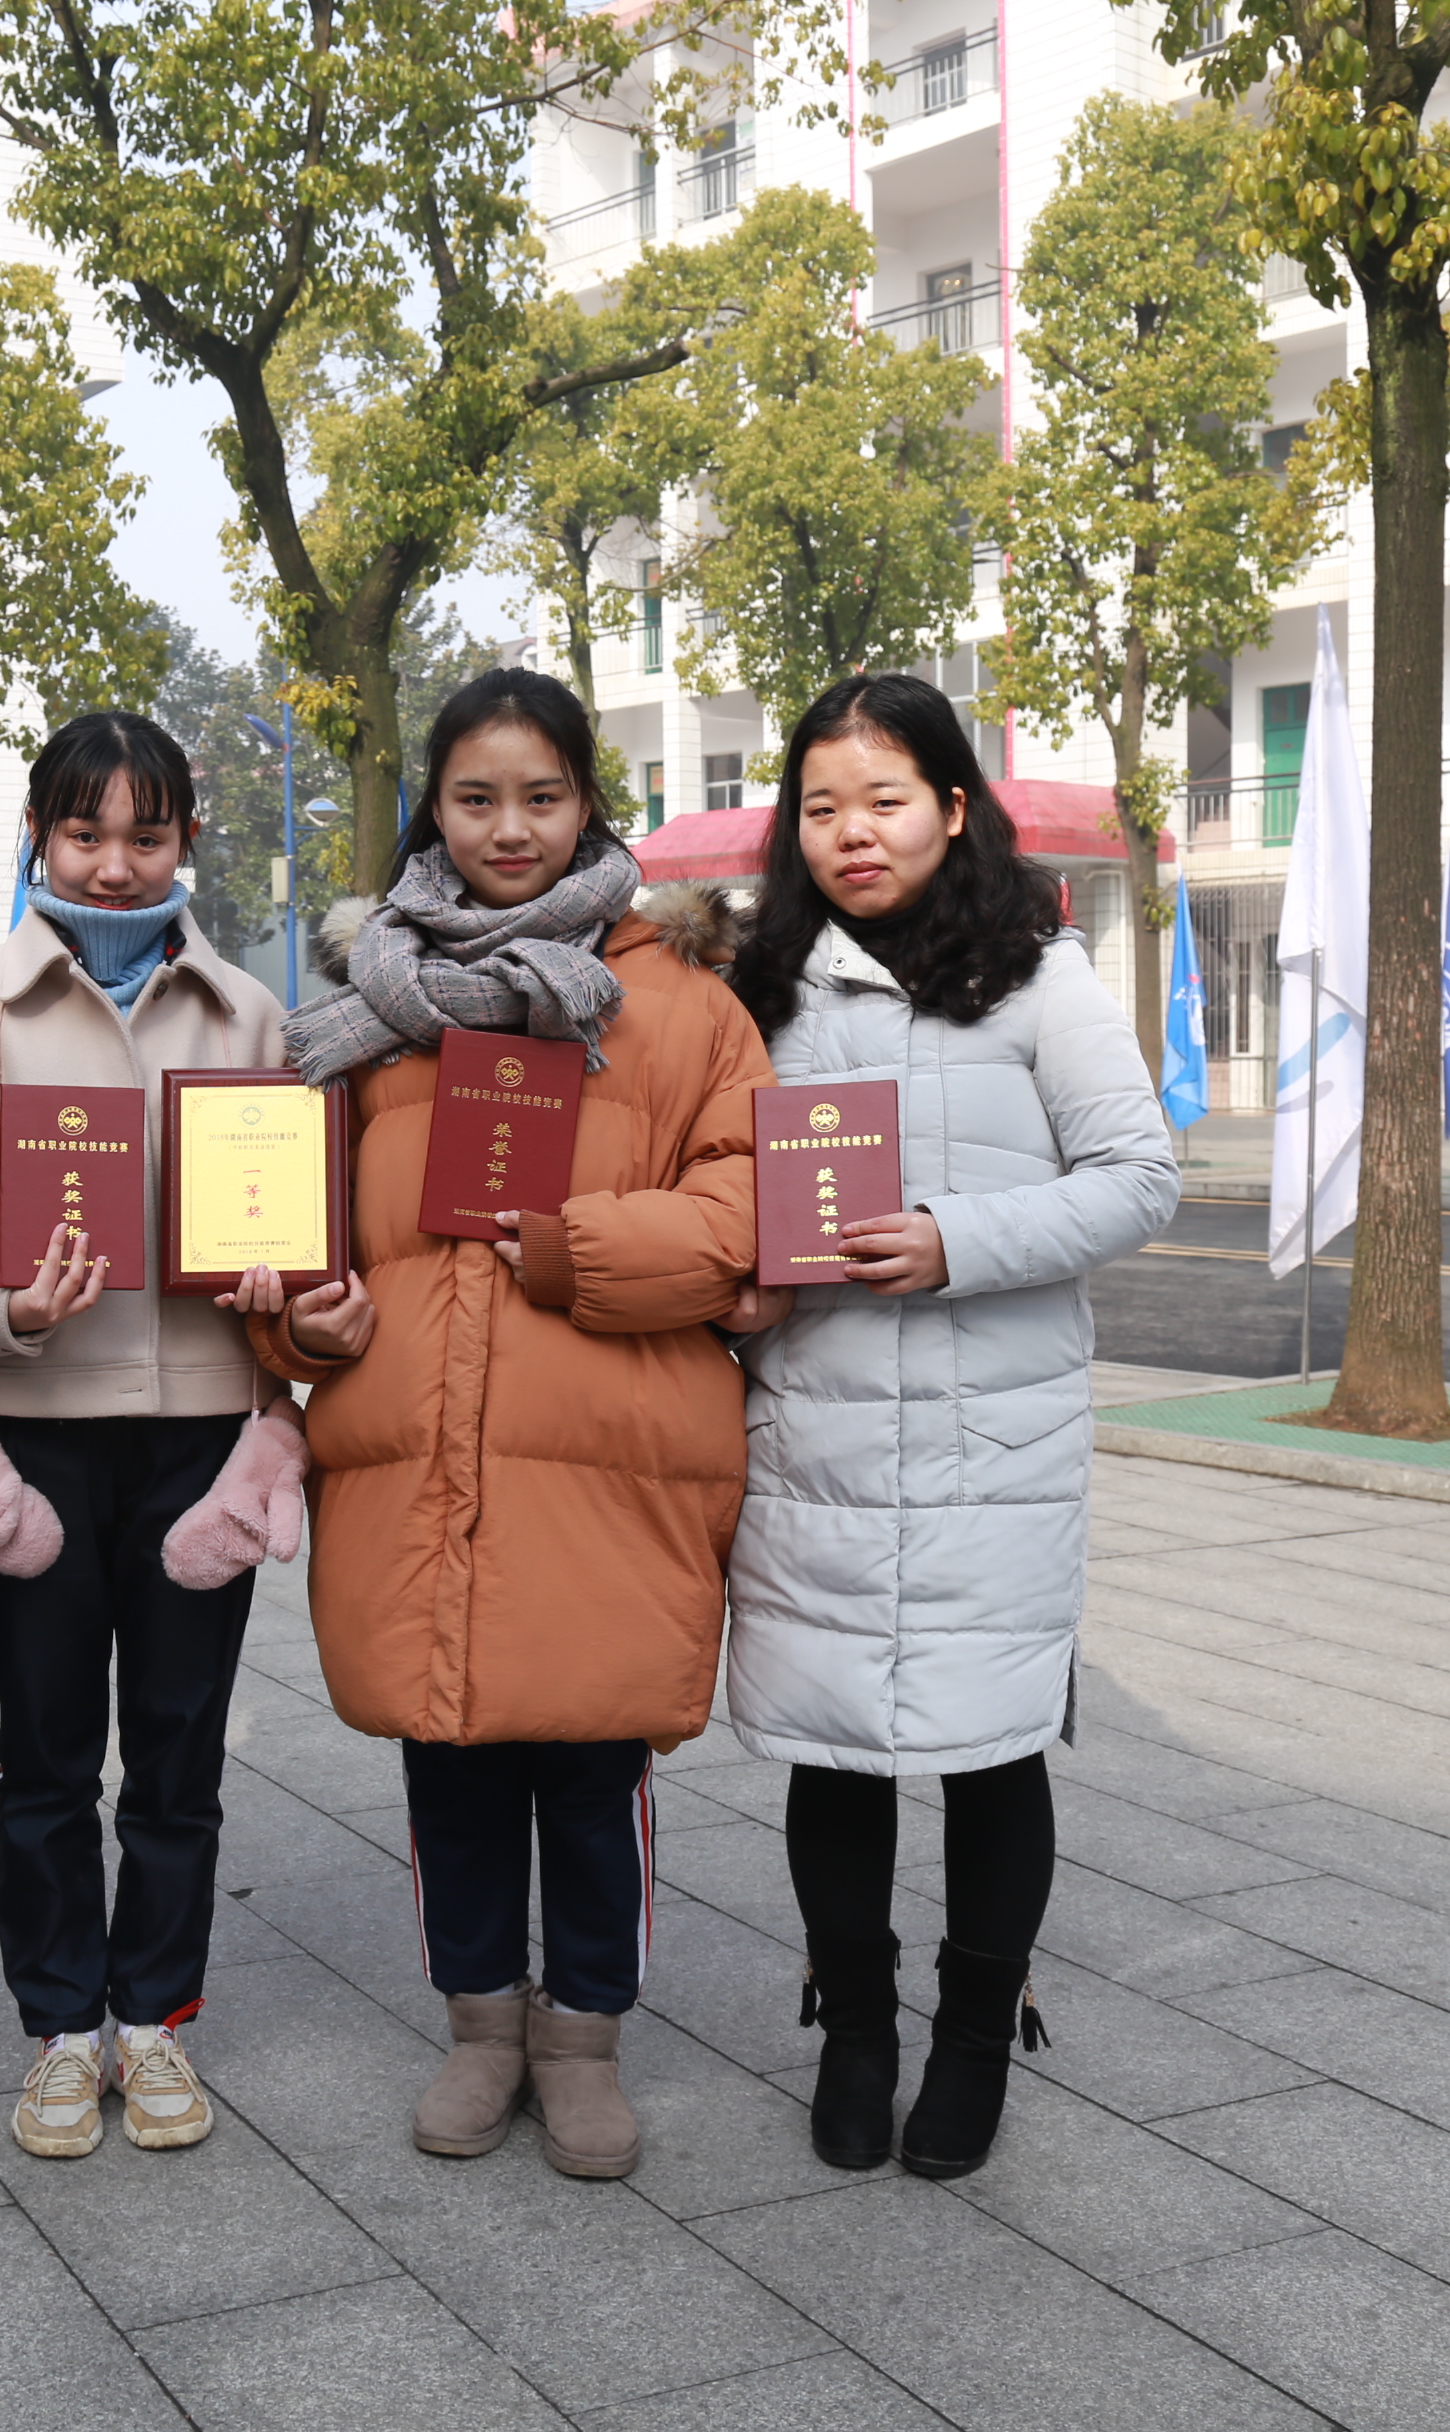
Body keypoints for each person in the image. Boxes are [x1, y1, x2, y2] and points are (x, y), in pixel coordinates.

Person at [248, 668, 772, 2181]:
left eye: (543, 796)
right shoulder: (363, 1022)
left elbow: (744, 1215)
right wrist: (299, 1320)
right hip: (417, 1463)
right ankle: (483, 2032)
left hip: (609, 1463)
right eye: (477, 798)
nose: (511, 827)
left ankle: (586, 2041)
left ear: (591, 807)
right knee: (453, 1768)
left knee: (595, 1777)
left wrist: (569, 1245)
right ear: (436, 807)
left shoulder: (680, 1006)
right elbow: (282, 1230)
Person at [720, 671, 1180, 2179]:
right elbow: (717, 1192)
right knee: (834, 1751)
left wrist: (953, 1239)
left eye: (887, 800)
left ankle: (976, 2040)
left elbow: (1138, 1177)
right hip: (822, 1446)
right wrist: (737, 1287)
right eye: (823, 807)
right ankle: (857, 2028)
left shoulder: (1042, 979)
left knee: (994, 1755)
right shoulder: (760, 991)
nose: (854, 833)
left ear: (954, 807)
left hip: (998, 1452)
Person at [0, 712, 293, 2161]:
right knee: (49, 1762)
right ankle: (62, 2026)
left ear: (188, 839)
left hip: (199, 1439)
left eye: (149, 833)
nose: (117, 864)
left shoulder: (249, 1014)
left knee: (179, 1757)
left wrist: (286, 1289)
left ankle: (158, 2020)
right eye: (85, 832)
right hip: (30, 1439)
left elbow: (289, 1224)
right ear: (39, 840)